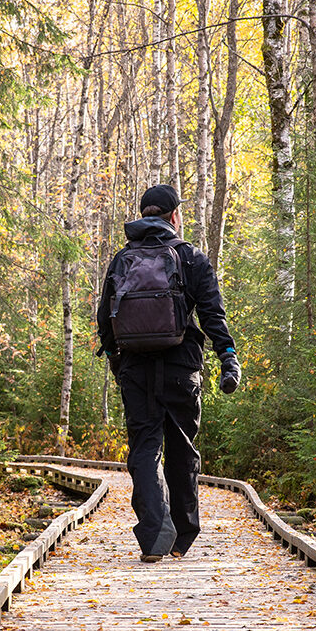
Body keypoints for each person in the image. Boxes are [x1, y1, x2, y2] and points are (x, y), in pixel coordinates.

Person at [96, 184, 241, 562]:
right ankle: (181, 539)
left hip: (135, 370)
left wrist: (117, 362)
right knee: (181, 451)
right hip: (182, 367)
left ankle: (153, 537)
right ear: (174, 216)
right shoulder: (190, 257)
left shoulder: (122, 260)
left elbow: (104, 321)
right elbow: (212, 315)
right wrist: (228, 357)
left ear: (143, 215)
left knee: (144, 450)